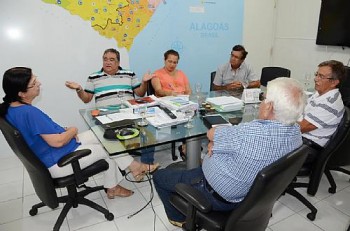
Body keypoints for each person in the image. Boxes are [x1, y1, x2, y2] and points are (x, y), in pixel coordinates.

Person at [153, 77, 306, 227]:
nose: (261, 103)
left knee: (160, 176)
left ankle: (179, 219)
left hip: (217, 195)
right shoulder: (296, 133)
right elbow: (231, 140)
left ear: (268, 107)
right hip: (252, 198)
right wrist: (220, 141)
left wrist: (216, 141)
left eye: (263, 99)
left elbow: (210, 133)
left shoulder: (248, 133)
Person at [0, 67, 159, 199]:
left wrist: (65, 132)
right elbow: (57, 142)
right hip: (58, 159)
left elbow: (42, 132)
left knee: (102, 132)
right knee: (109, 148)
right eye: (34, 83)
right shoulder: (28, 112)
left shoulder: (11, 108)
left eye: (36, 79)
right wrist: (72, 130)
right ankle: (129, 173)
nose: (39, 83)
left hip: (56, 150)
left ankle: (129, 172)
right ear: (21, 93)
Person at [65, 48, 155, 164]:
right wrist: (79, 89)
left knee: (149, 134)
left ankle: (146, 165)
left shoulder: (129, 74)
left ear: (118, 62)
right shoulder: (94, 77)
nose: (107, 62)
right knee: (110, 140)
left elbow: (140, 93)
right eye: (105, 59)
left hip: (129, 116)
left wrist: (144, 82)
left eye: (111, 60)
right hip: (105, 118)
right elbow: (86, 99)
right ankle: (125, 164)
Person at [299, 60, 346, 164]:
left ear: (334, 82)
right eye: (317, 74)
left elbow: (300, 128)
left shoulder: (330, 104)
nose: (316, 79)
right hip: (302, 140)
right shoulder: (319, 94)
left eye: (321, 76)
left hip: (308, 148)